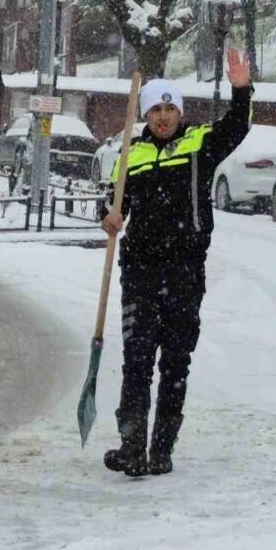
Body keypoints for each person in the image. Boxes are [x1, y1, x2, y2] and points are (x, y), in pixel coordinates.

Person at [98, 49, 252, 477]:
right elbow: (114, 204)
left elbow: (237, 127)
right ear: (145, 114)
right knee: (137, 361)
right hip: (140, 272)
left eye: (170, 108)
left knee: (176, 363)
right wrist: (109, 216)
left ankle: (162, 448)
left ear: (179, 112)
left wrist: (241, 89)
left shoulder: (200, 143)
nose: (163, 117)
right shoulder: (131, 153)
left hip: (185, 271)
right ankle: (132, 447)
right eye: (155, 110)